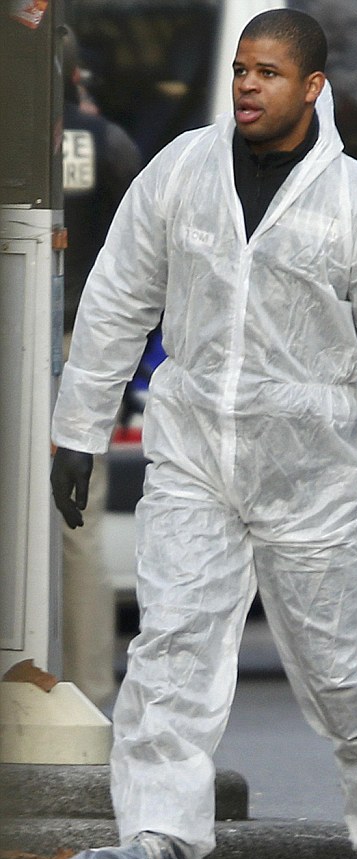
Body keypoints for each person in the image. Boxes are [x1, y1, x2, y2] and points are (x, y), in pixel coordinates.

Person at [50, 9, 357, 859]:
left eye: (268, 72)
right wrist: (78, 427)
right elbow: (118, 296)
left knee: (337, 666)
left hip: (310, 476)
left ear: (313, 87)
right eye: (241, 68)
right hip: (195, 454)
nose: (246, 84)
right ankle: (161, 844)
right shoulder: (182, 170)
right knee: (171, 646)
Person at [60, 26, 143, 711]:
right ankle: (87, 692)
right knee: (78, 525)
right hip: (88, 350)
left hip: (20, 334)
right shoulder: (107, 142)